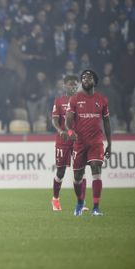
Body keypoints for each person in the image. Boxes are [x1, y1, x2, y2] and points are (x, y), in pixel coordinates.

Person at [64, 69, 111, 216]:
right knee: (78, 177)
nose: (85, 79)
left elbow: (107, 122)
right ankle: (79, 202)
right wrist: (70, 131)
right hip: (80, 143)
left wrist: (110, 143)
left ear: (94, 81)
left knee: (96, 171)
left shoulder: (102, 100)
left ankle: (96, 208)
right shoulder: (75, 99)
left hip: (96, 142)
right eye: (83, 77)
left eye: (89, 77)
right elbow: (67, 122)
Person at [50, 74, 87, 211]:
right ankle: (55, 199)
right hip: (63, 141)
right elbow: (54, 119)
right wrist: (60, 131)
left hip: (78, 141)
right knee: (61, 172)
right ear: (65, 85)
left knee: (80, 172)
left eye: (76, 84)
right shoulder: (59, 101)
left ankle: (81, 202)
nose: (74, 86)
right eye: (71, 84)